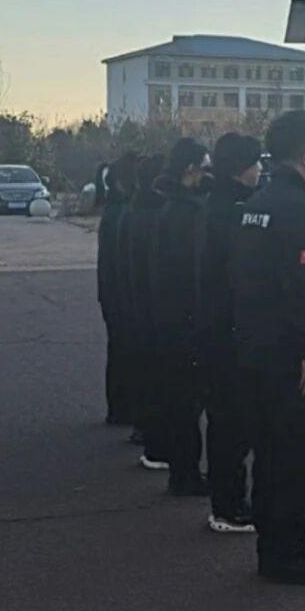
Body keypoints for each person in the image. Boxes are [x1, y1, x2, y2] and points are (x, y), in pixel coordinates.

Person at [232, 111, 305, 585]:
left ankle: (272, 548)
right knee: (299, 458)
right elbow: (304, 286)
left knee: (271, 453)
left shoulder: (257, 202)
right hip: (293, 356)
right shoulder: (299, 208)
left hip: (259, 349)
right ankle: (289, 554)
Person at [202, 133, 263, 534]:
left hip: (216, 326)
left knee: (226, 420)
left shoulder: (214, 204)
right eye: (256, 163)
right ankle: (228, 506)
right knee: (231, 422)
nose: (260, 170)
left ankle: (226, 499)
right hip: (228, 330)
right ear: (241, 169)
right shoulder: (232, 212)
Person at [147, 138, 212, 496]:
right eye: (204, 167)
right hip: (184, 320)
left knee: (181, 400)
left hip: (171, 317)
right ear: (190, 169)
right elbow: (191, 273)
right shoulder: (184, 213)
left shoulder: (169, 206)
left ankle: (182, 469)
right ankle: (185, 474)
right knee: (187, 402)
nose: (207, 175)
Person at [122, 154, 170, 467]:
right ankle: (156, 443)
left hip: (138, 303)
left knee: (147, 372)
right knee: (160, 379)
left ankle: (145, 428)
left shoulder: (133, 211)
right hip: (155, 306)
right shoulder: (157, 216)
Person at [98, 154, 136, 426]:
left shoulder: (112, 209)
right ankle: (125, 408)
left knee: (119, 350)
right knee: (126, 351)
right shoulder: (122, 212)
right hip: (121, 292)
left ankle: (119, 408)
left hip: (111, 290)